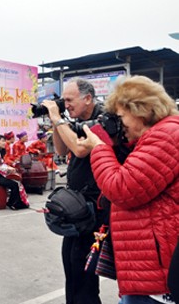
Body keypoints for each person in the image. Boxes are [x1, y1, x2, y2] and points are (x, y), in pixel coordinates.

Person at [77, 75, 179, 304]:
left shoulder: (167, 135)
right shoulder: (157, 136)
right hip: (147, 270)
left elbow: (121, 188)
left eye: (121, 117)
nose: (119, 125)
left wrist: (99, 148)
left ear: (141, 111)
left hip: (155, 279)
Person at [42, 77, 104, 304]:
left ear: (88, 98)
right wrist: (55, 119)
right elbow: (60, 148)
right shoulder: (76, 121)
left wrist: (58, 118)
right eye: (63, 100)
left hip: (93, 210)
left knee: (83, 273)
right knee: (71, 264)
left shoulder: (102, 119)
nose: (65, 104)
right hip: (77, 207)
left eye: (69, 99)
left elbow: (79, 150)